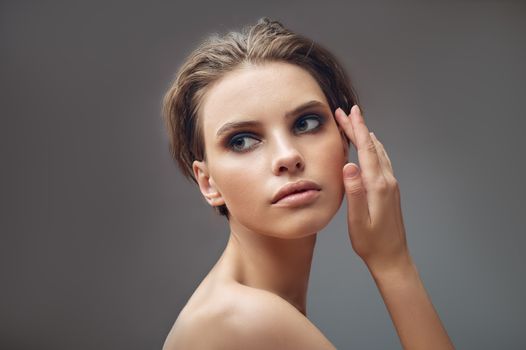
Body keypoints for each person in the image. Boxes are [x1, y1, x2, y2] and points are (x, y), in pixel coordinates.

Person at [161, 17, 454, 350]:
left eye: (307, 123)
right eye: (242, 141)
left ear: (346, 139)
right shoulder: (243, 321)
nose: (288, 156)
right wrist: (393, 264)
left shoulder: (240, 307)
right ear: (208, 182)